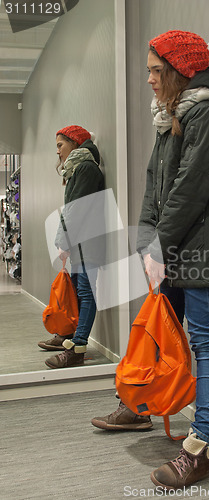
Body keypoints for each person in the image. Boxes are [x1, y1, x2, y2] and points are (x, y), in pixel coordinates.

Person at [92, 30, 209, 489]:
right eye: (149, 70)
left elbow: (191, 190)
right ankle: (138, 408)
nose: (149, 79)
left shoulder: (205, 118)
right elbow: (154, 187)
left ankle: (201, 446)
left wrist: (157, 248)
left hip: (199, 250)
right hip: (168, 252)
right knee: (155, 333)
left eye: (155, 70)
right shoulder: (168, 120)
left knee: (205, 343)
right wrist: (146, 245)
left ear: (176, 70)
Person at [38, 125, 105, 369]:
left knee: (86, 292)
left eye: (60, 145)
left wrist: (63, 241)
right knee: (78, 291)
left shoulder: (86, 168)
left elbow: (77, 209)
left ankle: (77, 347)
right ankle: (68, 337)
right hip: (82, 241)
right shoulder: (79, 168)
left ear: (75, 143)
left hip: (89, 241)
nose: (57, 151)